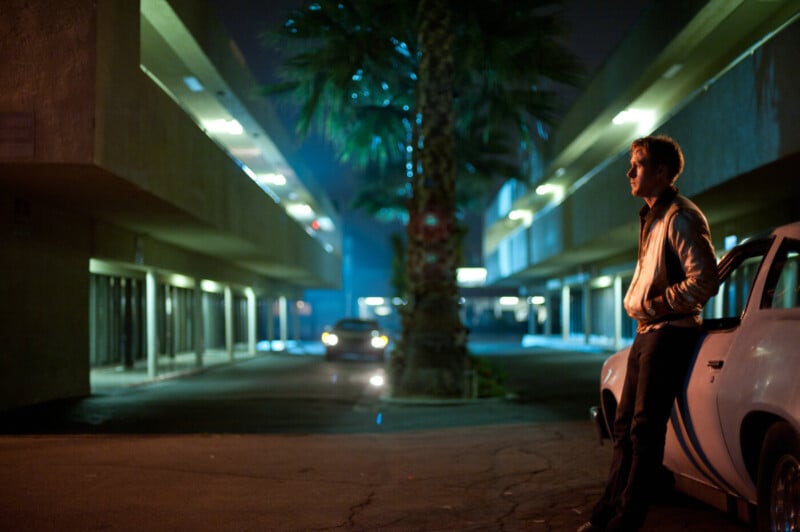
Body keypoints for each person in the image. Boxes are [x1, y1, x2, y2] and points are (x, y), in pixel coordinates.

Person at [578, 135, 719, 532]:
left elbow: (705, 279)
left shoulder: (680, 216)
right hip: (648, 332)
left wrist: (658, 305)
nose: (629, 173)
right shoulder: (654, 215)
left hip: (669, 332)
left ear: (660, 172)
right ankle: (607, 515)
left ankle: (625, 522)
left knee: (644, 429)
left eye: (637, 165)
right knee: (624, 428)